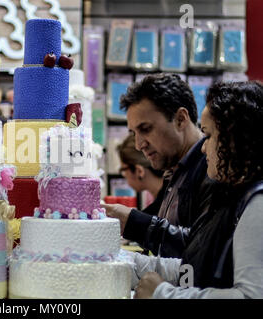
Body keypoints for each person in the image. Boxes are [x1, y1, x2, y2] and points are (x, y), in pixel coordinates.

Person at [131, 81, 263, 298]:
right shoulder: (231, 195)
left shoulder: (256, 202)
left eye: (209, 136)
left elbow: (250, 295)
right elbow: (195, 267)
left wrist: (163, 294)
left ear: (234, 140)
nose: (203, 147)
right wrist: (133, 266)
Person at [102, 73, 216, 258]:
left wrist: (134, 223)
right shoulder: (176, 171)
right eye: (134, 134)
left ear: (180, 119)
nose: (139, 145)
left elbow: (202, 249)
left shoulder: (211, 170)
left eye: (145, 129)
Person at [118, 133, 164, 213]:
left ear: (139, 171)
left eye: (124, 170)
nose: (124, 175)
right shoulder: (153, 197)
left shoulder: (161, 208)